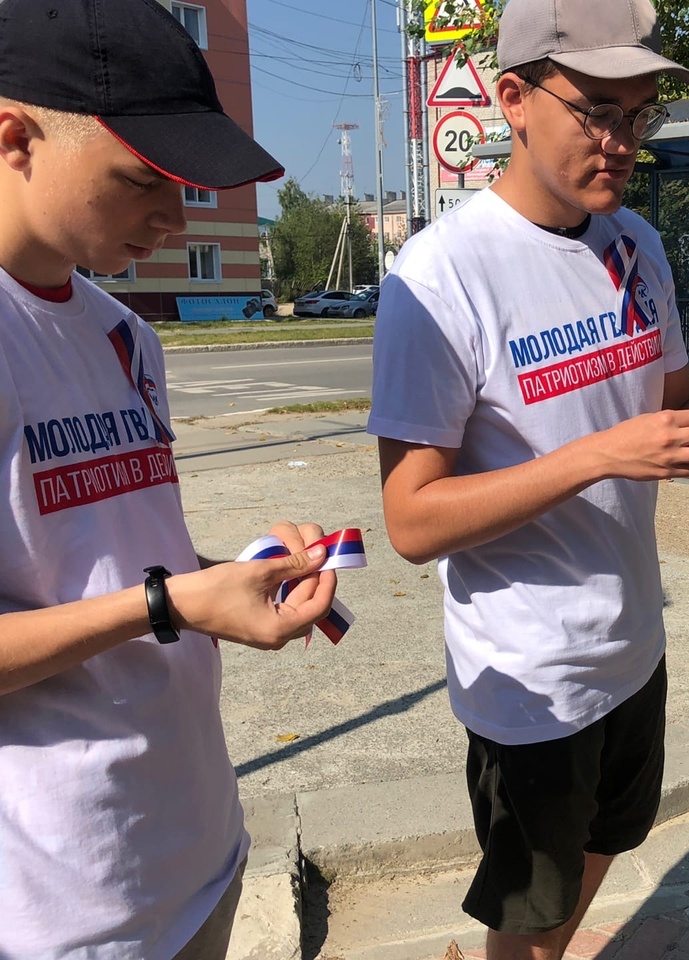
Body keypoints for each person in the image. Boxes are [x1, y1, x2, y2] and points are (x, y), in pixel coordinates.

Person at [369, 0, 689, 957]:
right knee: (531, 917)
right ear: (513, 99)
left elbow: (672, 402)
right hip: (533, 681)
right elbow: (412, 521)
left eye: (640, 115)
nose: (623, 142)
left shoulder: (636, 244)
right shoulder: (439, 275)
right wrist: (599, 454)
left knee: (606, 846)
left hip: (633, 644)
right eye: (597, 110)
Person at [0, 0, 340, 956]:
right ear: (14, 139)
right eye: (143, 179)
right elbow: (145, 596)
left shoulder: (125, 335)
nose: (174, 217)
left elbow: (111, 555)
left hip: (194, 849)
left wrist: (234, 574)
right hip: (61, 905)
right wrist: (171, 603)